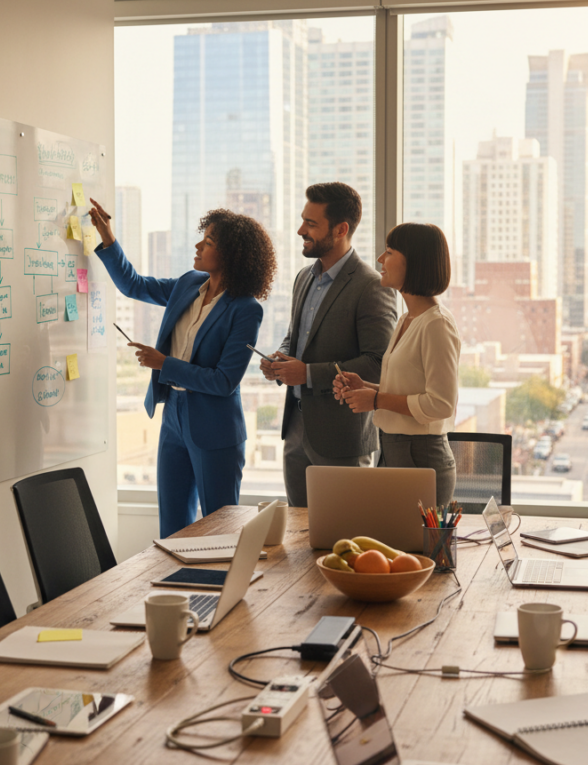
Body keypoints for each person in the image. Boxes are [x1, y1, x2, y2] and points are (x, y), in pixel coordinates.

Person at [89, 198, 277, 537]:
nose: (197, 246)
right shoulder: (189, 284)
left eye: (208, 242)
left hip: (214, 425)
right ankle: (179, 590)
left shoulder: (246, 310)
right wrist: (108, 238)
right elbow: (134, 285)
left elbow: (223, 381)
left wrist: (165, 364)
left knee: (219, 530)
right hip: (173, 415)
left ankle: (221, 591)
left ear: (231, 255)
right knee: (173, 528)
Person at [260, 182, 396, 507]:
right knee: (298, 537)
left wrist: (306, 373)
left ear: (341, 230)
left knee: (346, 538)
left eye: (311, 223)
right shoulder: (303, 278)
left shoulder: (371, 286)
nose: (300, 230)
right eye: (302, 220)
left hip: (342, 439)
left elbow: (378, 363)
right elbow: (297, 337)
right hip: (296, 431)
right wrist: (280, 359)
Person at [333, 223, 460, 506]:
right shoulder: (407, 319)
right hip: (393, 450)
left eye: (389, 252)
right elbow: (409, 388)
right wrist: (364, 386)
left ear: (414, 262)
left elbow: (440, 404)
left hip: (421, 456)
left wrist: (376, 399)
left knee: (414, 549)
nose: (380, 259)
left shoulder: (437, 324)